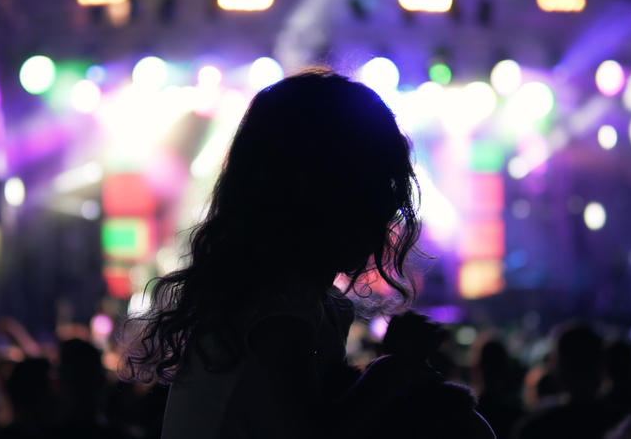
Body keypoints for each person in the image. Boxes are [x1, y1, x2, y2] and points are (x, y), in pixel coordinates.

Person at [121, 68, 495, 439]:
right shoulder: (275, 312)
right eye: (374, 187)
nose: (386, 209)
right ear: (323, 196)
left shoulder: (280, 300)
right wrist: (389, 371)